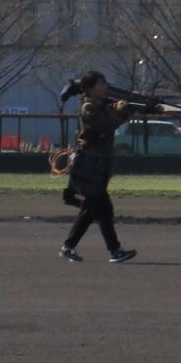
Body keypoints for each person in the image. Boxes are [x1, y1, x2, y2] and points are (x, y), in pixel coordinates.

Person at [59, 72, 142, 264]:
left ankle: (70, 247)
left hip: (99, 164)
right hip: (91, 165)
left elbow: (114, 118)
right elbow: (105, 126)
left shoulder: (101, 106)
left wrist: (129, 107)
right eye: (101, 84)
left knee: (94, 209)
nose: (105, 87)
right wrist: (122, 111)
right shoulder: (89, 107)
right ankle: (113, 251)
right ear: (90, 89)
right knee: (100, 208)